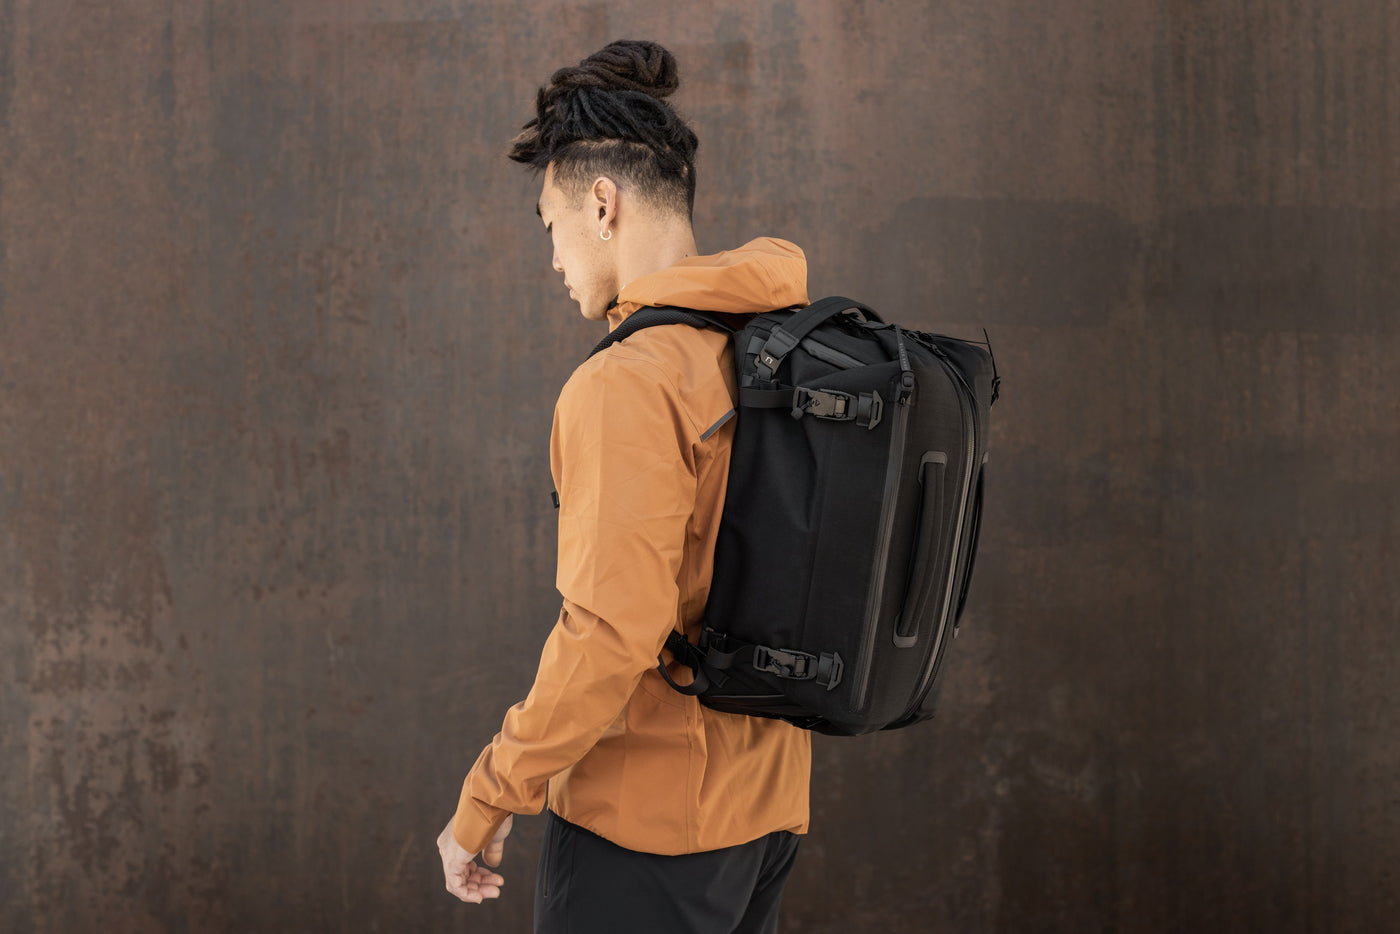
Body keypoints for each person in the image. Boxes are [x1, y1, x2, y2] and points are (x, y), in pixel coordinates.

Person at [436, 39, 813, 933]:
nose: (553, 259)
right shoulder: (773, 352)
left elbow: (611, 633)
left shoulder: (629, 381)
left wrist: (488, 796)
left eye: (550, 226)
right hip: (765, 816)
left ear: (601, 204)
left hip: (644, 829)